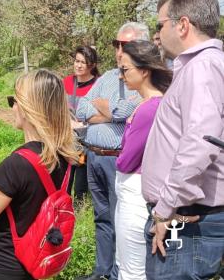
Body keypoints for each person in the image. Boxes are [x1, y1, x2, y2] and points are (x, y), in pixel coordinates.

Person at [0, 69, 79, 280]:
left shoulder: (16, 164)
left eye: (14, 101)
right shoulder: (67, 160)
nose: (13, 107)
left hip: (0, 265)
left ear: (28, 109)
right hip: (35, 265)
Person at [142, 0, 224, 279]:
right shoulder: (201, 66)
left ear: (183, 25)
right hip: (183, 215)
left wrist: (164, 209)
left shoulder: (202, 67)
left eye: (160, 25)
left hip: (185, 220)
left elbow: (201, 144)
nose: (158, 34)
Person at [75, 22, 149, 280]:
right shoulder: (106, 77)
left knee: (122, 221)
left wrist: (109, 109)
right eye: (116, 44)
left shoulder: (145, 78)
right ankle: (102, 271)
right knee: (102, 218)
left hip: (118, 159)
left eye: (125, 45)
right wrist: (106, 111)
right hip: (94, 155)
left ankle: (120, 273)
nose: (119, 51)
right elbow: (82, 109)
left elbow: (127, 111)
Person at [114, 40, 172, 280]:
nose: (121, 76)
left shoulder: (150, 109)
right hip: (133, 192)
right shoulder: (150, 104)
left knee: (132, 270)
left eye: (125, 69)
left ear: (145, 70)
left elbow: (125, 160)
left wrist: (119, 154)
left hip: (136, 196)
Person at [63, 46, 100, 204]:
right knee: (65, 178)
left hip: (88, 139)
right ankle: (62, 204)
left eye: (83, 63)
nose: (78, 65)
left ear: (91, 65)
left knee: (81, 181)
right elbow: (57, 107)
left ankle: (80, 208)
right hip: (67, 136)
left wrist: (84, 123)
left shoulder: (98, 85)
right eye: (76, 61)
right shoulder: (66, 82)